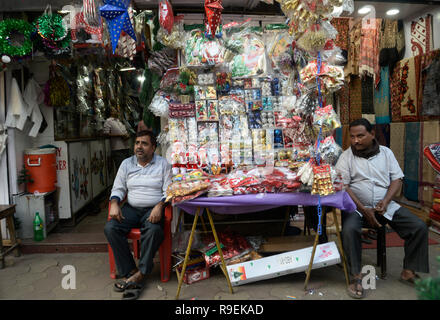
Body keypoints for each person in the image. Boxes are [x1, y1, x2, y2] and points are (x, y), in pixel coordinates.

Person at [335, 118, 429, 299]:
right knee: (350, 229)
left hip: (384, 206)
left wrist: (385, 201)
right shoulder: (346, 156)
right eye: (353, 137)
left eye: (360, 136)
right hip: (356, 208)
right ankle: (355, 276)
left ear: (372, 134)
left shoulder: (386, 153)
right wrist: (363, 210)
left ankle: (409, 271)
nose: (355, 141)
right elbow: (343, 186)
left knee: (418, 226)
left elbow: (397, 179)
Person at [104, 130, 172, 300]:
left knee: (155, 231)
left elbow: (169, 191)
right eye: (137, 143)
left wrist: (160, 206)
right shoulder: (127, 164)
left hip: (153, 209)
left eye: (144, 143)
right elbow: (118, 188)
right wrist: (114, 203)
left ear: (153, 148)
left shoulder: (163, 164)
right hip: (132, 208)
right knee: (111, 228)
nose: (139, 147)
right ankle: (132, 271)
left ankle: (140, 273)